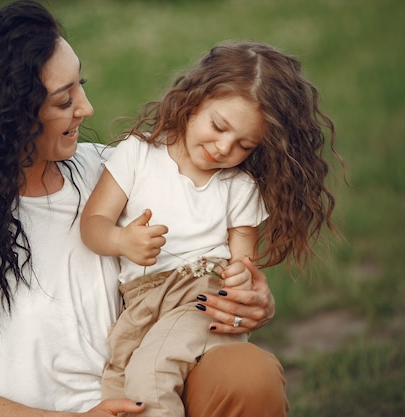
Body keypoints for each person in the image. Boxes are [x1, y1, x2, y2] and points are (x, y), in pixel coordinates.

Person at [0, 2, 287, 417]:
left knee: (248, 374)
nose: (86, 109)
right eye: (64, 100)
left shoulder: (111, 170)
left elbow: (210, 242)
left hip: (153, 397)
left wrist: (249, 297)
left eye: (80, 85)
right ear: (9, 117)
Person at [80, 40, 340, 417]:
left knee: (151, 377)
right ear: (194, 99)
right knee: (118, 386)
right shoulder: (137, 154)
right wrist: (122, 240)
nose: (223, 148)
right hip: (140, 303)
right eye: (218, 127)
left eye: (243, 145)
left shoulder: (238, 187)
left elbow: (243, 263)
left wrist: (240, 277)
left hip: (198, 296)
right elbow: (92, 225)